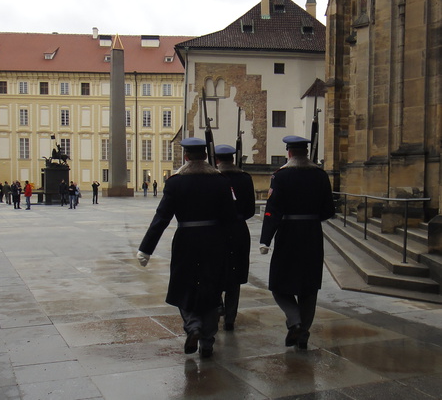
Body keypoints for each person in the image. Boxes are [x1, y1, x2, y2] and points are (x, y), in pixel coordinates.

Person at [137, 138, 237, 358]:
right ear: (205, 156)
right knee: (211, 290)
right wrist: (232, 246)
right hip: (214, 240)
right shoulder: (221, 181)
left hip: (186, 240)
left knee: (183, 287)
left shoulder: (175, 182)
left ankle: (192, 327)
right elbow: (231, 218)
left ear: (186, 157)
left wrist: (146, 248)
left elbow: (162, 218)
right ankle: (208, 342)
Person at [260, 135, 335, 350]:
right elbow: (329, 210)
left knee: (278, 283)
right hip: (311, 234)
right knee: (308, 287)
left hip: (288, 234)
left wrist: (265, 239)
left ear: (289, 153)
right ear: (306, 153)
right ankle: (302, 335)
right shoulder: (320, 176)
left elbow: (272, 210)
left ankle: (294, 321)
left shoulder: (281, 176)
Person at [215, 144, 255, 331]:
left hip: (217, 229)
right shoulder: (245, 178)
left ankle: (217, 306)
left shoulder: (213, 178)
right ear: (233, 158)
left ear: (216, 160)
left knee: (216, 271)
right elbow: (250, 210)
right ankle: (230, 317)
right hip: (239, 229)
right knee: (235, 274)